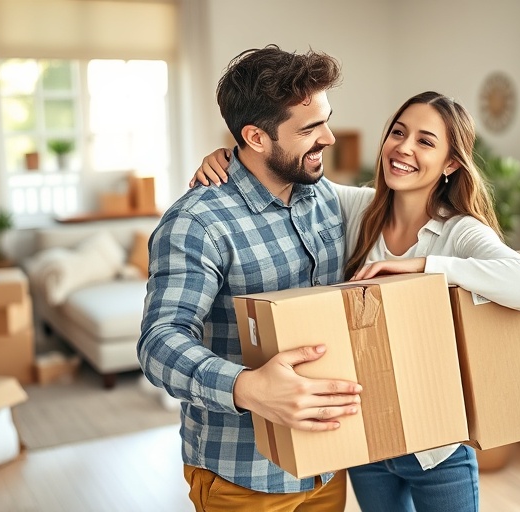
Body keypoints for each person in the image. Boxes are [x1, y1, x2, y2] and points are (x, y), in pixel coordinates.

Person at [191, 91, 520, 512]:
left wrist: (428, 266)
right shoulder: (355, 209)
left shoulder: (459, 233)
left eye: (425, 141)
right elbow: (280, 167)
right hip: (366, 447)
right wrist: (229, 155)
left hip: (436, 450)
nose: (403, 147)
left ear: (451, 163)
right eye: (398, 132)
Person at [138, 45, 364, 512]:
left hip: (327, 460)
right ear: (256, 138)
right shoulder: (198, 222)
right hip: (244, 475)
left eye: (325, 119)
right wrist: (248, 387)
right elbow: (159, 342)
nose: (329, 138)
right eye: (308, 129)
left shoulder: (321, 194)